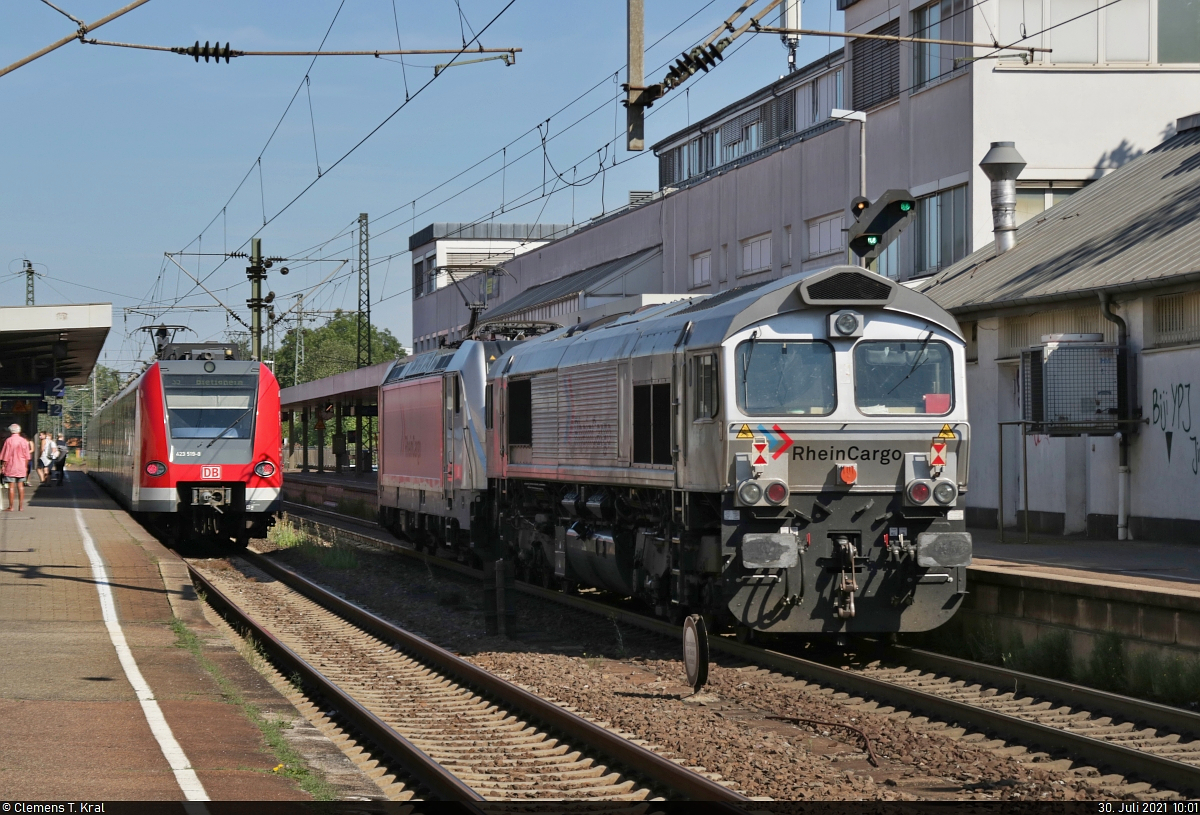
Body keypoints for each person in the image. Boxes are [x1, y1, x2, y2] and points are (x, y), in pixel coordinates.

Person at [0, 424, 32, 511]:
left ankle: (11, 506)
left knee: (11, 487)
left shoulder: (8, 441)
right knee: (21, 486)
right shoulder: (24, 441)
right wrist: (25, 467)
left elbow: (5, 455)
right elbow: (27, 456)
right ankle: (21, 507)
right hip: (21, 466)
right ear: (19, 431)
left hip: (11, 466)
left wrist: (3, 465)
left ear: (10, 431)